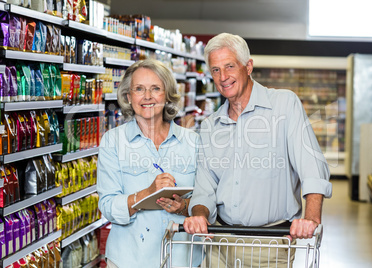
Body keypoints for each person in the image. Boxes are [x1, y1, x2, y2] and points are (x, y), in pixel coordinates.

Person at [183, 33, 333, 267]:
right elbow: (205, 185)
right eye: (215, 70)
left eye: (230, 66)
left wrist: (311, 218)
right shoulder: (211, 125)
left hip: (269, 245)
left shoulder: (284, 105)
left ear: (248, 66)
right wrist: (199, 216)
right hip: (219, 243)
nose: (223, 77)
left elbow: (311, 167)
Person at [97, 59, 202, 267]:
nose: (147, 96)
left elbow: (207, 202)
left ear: (167, 95)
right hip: (129, 259)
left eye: (155, 88)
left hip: (182, 259)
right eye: (139, 89)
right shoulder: (113, 141)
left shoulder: (193, 142)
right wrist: (148, 193)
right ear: (128, 96)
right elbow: (107, 205)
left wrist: (183, 207)